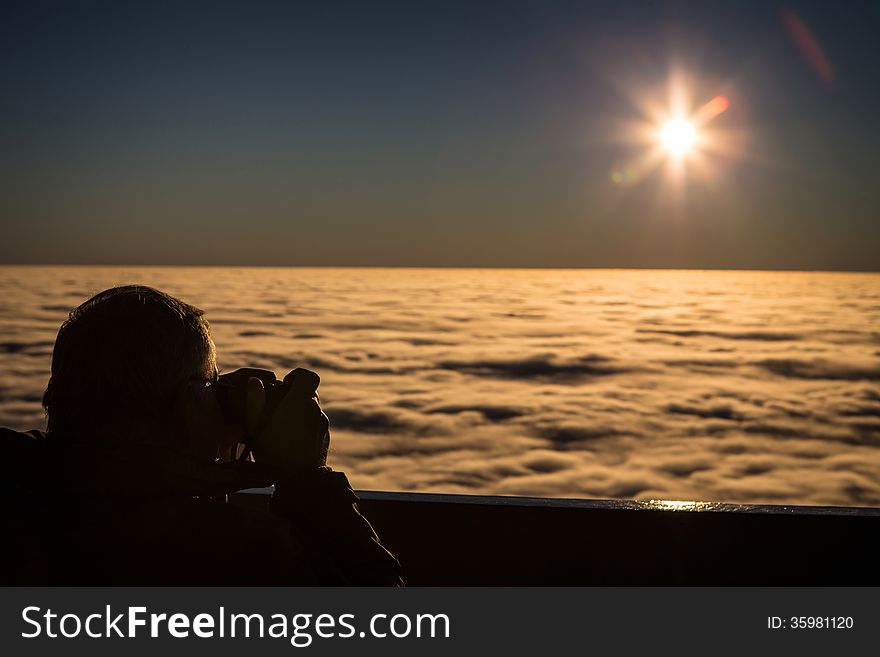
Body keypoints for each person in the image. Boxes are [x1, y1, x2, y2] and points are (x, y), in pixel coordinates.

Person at [0, 285, 402, 585]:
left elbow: (111, 471)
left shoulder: (18, 479)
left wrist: (211, 464)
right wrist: (306, 479)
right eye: (212, 385)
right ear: (190, 403)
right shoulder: (232, 551)